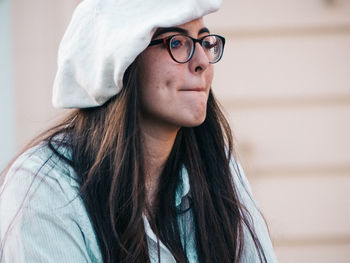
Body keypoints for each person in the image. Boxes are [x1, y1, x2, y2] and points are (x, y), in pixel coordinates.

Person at [0, 0, 278, 262]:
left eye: (205, 42)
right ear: (120, 61)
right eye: (177, 42)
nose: (203, 61)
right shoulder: (45, 190)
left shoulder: (218, 167)